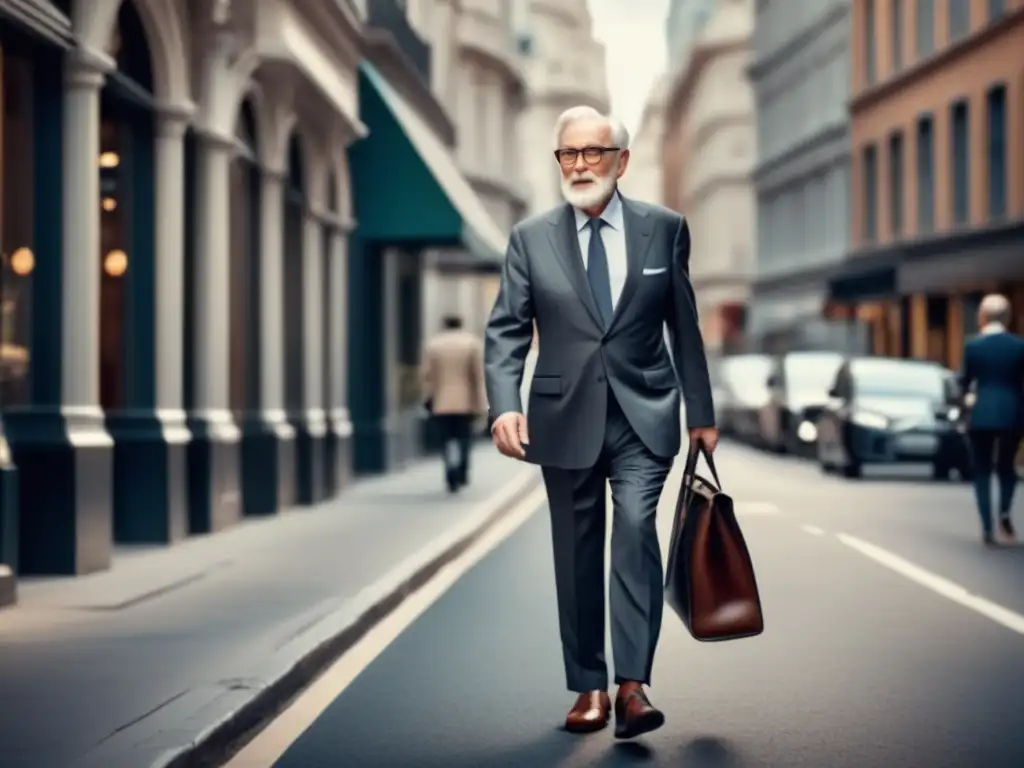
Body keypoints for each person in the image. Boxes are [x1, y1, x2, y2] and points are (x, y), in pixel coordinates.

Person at [483, 105, 717, 739]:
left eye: (592, 152)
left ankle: (633, 685)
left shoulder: (663, 229)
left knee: (637, 533)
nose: (580, 165)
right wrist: (504, 401)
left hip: (645, 413)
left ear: (622, 161)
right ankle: (588, 686)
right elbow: (506, 328)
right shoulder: (530, 237)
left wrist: (702, 411)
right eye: (568, 154)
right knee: (578, 553)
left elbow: (683, 324)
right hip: (562, 419)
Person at [959, 293, 1024, 545]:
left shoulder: (973, 346)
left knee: (982, 469)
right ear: (1007, 317)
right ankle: (1005, 512)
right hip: (1012, 413)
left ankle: (987, 525)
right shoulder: (1019, 346)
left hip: (982, 413)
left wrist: (963, 408)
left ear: (983, 317)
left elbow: (965, 383)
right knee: (1007, 467)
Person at [421, 315, 486, 493]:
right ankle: (462, 471)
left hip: (441, 401)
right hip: (466, 401)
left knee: (445, 438)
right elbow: (478, 375)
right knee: (465, 437)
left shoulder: (434, 345)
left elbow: (426, 374)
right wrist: (481, 402)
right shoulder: (472, 344)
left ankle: (449, 471)